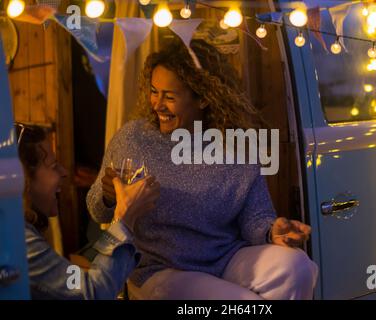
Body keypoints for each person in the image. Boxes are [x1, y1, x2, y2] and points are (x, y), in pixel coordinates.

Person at [87, 39, 318, 300]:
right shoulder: (133, 139)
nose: (157, 104)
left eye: (170, 96)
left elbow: (256, 218)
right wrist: (108, 196)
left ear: (204, 99)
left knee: (297, 266)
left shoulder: (235, 147)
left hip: (224, 257)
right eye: (154, 91)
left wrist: (271, 231)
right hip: (160, 270)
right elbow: (96, 209)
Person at [16, 123, 160, 299]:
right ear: (22, 179)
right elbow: (92, 291)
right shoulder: (21, 242)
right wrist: (125, 218)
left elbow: (73, 282)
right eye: (53, 165)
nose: (63, 172)